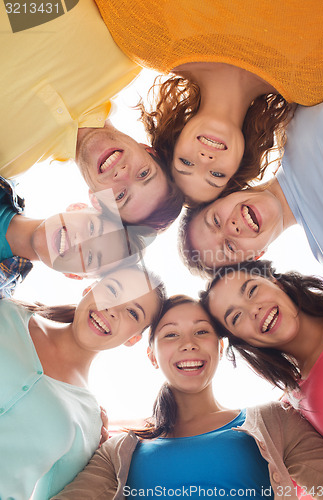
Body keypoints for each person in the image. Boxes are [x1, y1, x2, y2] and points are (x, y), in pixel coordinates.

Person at [52, 296, 323, 499]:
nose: (189, 344)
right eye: (171, 335)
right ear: (152, 356)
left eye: (201, 331)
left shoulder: (276, 422)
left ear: (220, 347)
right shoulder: (116, 451)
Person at [95, 0, 323, 205]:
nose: (205, 159)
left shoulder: (146, 36)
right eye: (216, 174)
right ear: (239, 165)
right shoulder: (313, 80)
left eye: (185, 162)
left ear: (174, 141)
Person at [0, 2, 183, 229]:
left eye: (120, 196)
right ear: (148, 149)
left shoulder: (8, 161)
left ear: (97, 201)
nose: (123, 174)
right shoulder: (129, 57)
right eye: (144, 173)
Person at [0, 263, 165, 500]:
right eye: (113, 290)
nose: (113, 309)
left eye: (132, 312)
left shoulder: (90, 423)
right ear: (89, 289)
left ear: (134, 338)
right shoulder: (6, 312)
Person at [179, 97, 323, 276]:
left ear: (224, 194)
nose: (232, 228)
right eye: (229, 247)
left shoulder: (286, 116)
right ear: (257, 255)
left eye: (216, 220)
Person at [201, 260, 323, 446]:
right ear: (240, 340)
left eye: (252, 291)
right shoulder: (295, 412)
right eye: (236, 317)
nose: (254, 310)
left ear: (274, 281)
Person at [0, 178, 153, 296]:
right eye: (92, 228)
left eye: (91, 257)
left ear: (73, 275)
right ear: (77, 207)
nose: (79, 242)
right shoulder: (6, 177)